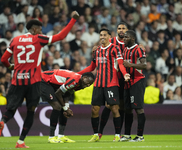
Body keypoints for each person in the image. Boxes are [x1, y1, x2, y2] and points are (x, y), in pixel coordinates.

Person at [0, 11, 80, 148]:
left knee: (11, 110)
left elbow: (3, 59)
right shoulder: (39, 38)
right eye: (40, 29)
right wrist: (73, 20)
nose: (41, 31)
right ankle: (20, 141)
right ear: (35, 29)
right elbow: (61, 36)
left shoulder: (15, 40)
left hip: (17, 81)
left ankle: (2, 121)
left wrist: (11, 67)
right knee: (31, 111)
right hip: (33, 82)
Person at [78, 28, 130, 142]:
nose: (102, 37)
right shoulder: (96, 51)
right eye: (100, 35)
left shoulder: (115, 49)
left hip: (111, 84)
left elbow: (120, 64)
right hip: (98, 84)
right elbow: (92, 67)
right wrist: (77, 74)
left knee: (115, 108)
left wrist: (125, 74)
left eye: (104, 35)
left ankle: (117, 135)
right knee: (94, 109)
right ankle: (96, 134)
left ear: (109, 37)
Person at [41, 69, 94, 143]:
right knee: (57, 107)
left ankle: (61, 136)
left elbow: (67, 94)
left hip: (53, 84)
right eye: (88, 82)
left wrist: (66, 107)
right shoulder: (75, 80)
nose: (88, 85)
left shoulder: (81, 84)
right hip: (44, 80)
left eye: (90, 84)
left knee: (63, 108)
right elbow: (58, 93)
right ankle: (51, 137)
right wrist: (65, 108)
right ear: (84, 78)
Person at [98, 22, 128, 139]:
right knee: (110, 105)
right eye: (119, 28)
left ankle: (119, 134)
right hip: (113, 79)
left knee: (123, 106)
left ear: (127, 30)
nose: (121, 30)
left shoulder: (130, 42)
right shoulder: (112, 42)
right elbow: (103, 46)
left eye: (123, 28)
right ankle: (100, 132)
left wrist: (141, 46)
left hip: (125, 79)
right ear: (116, 30)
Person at [120, 30, 146, 142]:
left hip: (137, 81)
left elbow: (144, 65)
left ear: (133, 39)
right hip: (128, 82)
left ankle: (140, 136)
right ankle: (127, 135)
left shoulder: (138, 49)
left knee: (139, 109)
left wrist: (131, 65)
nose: (124, 39)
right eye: (124, 37)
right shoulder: (125, 50)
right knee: (128, 110)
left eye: (126, 37)